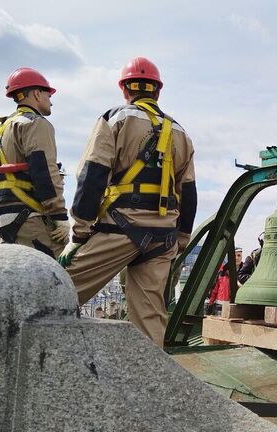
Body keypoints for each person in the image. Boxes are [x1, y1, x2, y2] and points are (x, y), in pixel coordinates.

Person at [59, 57, 197, 347]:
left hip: (119, 229)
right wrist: (181, 238)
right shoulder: (181, 132)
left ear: (125, 90)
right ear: (157, 91)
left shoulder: (116, 118)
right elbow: (189, 192)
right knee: (149, 322)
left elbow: (93, 174)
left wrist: (80, 232)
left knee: (56, 290)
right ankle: (152, 385)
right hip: (164, 237)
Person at [0, 67, 69, 258]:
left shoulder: (3, 128)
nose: (51, 100)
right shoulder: (36, 124)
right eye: (48, 94)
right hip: (30, 218)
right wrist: (59, 216)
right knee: (50, 276)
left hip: (4, 218)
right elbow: (44, 170)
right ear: (36, 94)